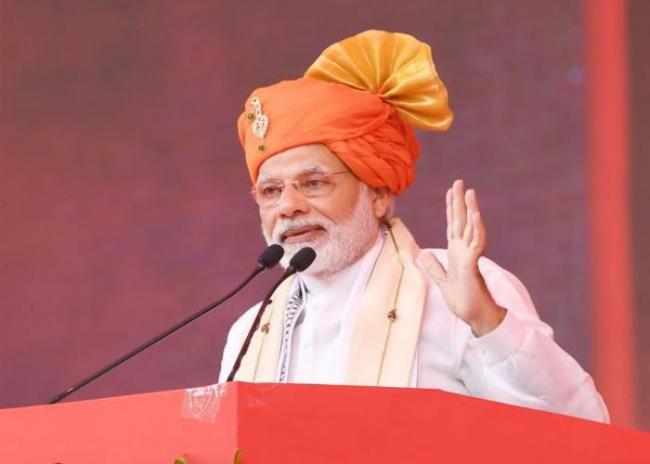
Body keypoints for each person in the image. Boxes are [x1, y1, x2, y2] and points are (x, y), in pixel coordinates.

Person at [217, 30, 609, 422]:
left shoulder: (453, 291)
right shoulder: (249, 333)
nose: (288, 206)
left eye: (314, 183)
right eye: (270, 191)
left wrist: (486, 322)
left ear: (377, 194)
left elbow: (581, 423)